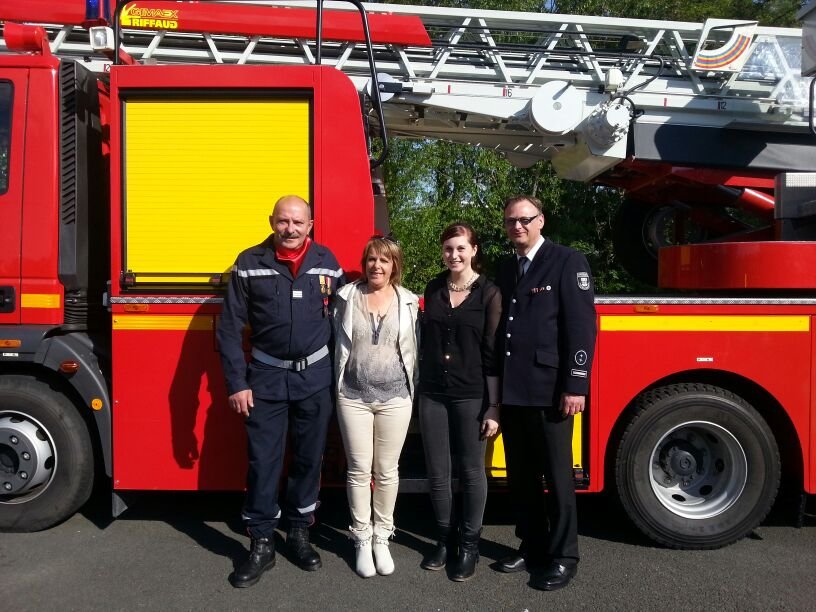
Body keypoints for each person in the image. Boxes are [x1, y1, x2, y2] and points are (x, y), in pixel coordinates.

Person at [217, 195, 345, 588]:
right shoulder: (249, 262)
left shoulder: (328, 262)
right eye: (283, 221)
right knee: (264, 462)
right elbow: (228, 327)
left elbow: (345, 321)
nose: (290, 229)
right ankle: (261, 542)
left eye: (298, 222)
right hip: (266, 379)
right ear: (272, 221)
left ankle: (299, 532)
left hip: (315, 379)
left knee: (309, 460)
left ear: (310, 225)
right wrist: (237, 383)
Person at [494, 195, 596, 591]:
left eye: (524, 219)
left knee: (557, 476)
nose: (517, 226)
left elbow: (581, 326)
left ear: (541, 220)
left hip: (551, 390)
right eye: (510, 221)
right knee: (521, 478)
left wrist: (575, 384)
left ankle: (564, 556)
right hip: (514, 391)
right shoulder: (507, 267)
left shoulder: (567, 261)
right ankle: (532, 545)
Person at [417, 223, 501, 581]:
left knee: (471, 471)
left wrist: (494, 406)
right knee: (438, 473)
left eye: (461, 248)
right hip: (433, 393)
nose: (454, 255)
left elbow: (493, 352)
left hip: (471, 394)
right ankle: (443, 540)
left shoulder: (489, 293)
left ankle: (469, 545)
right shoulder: (433, 288)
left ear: (474, 250)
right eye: (448, 248)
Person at [332, 236, 419, 579]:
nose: (376, 266)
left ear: (394, 264)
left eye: (384, 260)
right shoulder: (346, 297)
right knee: (358, 470)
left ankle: (382, 537)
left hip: (395, 398)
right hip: (352, 397)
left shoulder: (408, 301)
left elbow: (414, 350)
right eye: (371, 259)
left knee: (386, 471)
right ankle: (361, 539)